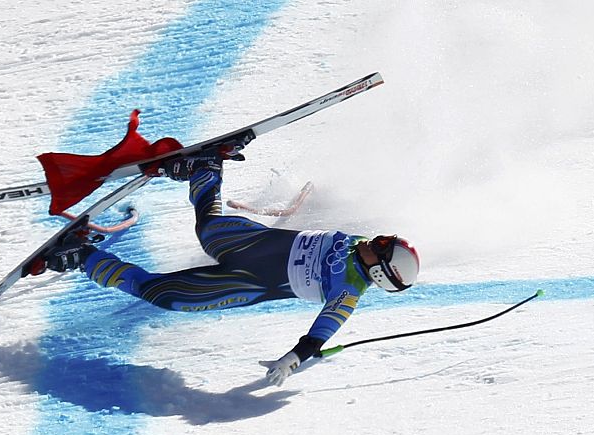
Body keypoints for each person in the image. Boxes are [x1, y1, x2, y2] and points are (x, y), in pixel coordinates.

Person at [34, 145, 420, 386]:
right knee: (210, 228)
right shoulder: (356, 246)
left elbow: (322, 332)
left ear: (379, 272)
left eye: (382, 247)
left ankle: (82, 256)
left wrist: (296, 358)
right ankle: (205, 168)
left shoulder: (348, 293)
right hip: (252, 242)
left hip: (245, 281)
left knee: (163, 295)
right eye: (384, 237)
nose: (375, 239)